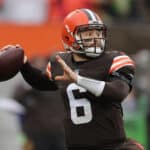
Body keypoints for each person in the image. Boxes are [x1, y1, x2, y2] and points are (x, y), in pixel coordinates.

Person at [5, 8, 136, 150]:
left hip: (111, 145)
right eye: (88, 34)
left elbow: (119, 92)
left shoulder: (115, 59)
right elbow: (41, 83)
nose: (95, 38)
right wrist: (24, 65)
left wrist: (79, 80)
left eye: (98, 32)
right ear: (70, 37)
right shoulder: (61, 62)